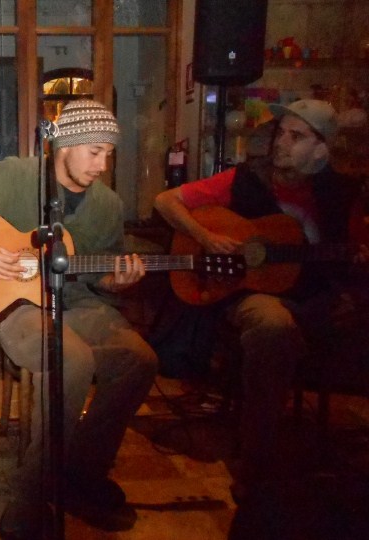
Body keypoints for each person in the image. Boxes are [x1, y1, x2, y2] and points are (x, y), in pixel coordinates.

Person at [0, 100, 158, 538]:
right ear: (64, 146)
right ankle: (30, 499)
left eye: (109, 154)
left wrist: (118, 282)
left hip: (78, 302)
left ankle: (83, 473)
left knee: (139, 359)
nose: (102, 165)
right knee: (71, 360)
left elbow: (102, 275)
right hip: (17, 306)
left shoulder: (108, 204)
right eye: (94, 152)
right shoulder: (19, 176)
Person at [154, 99, 369, 499]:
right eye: (280, 133)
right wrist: (206, 237)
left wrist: (355, 264)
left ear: (321, 149)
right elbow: (166, 201)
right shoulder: (246, 179)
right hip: (254, 294)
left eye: (295, 136)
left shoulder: (341, 193)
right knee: (272, 326)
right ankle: (257, 465)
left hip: (318, 296)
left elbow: (353, 250)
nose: (280, 143)